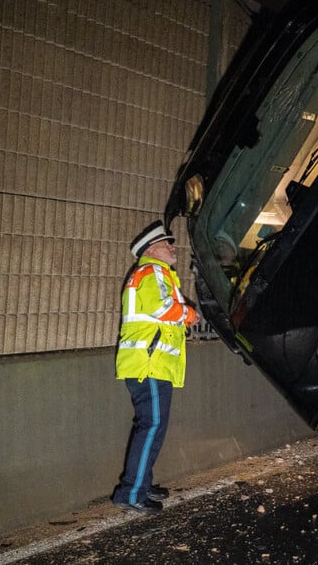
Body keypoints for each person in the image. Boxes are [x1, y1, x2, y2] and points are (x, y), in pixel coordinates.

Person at [112, 220, 198, 514]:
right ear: (151, 249)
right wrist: (190, 314)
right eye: (167, 243)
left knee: (152, 427)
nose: (173, 247)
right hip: (149, 365)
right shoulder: (152, 271)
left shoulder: (155, 273)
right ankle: (131, 493)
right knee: (151, 427)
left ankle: (141, 484)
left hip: (152, 365)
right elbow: (163, 309)